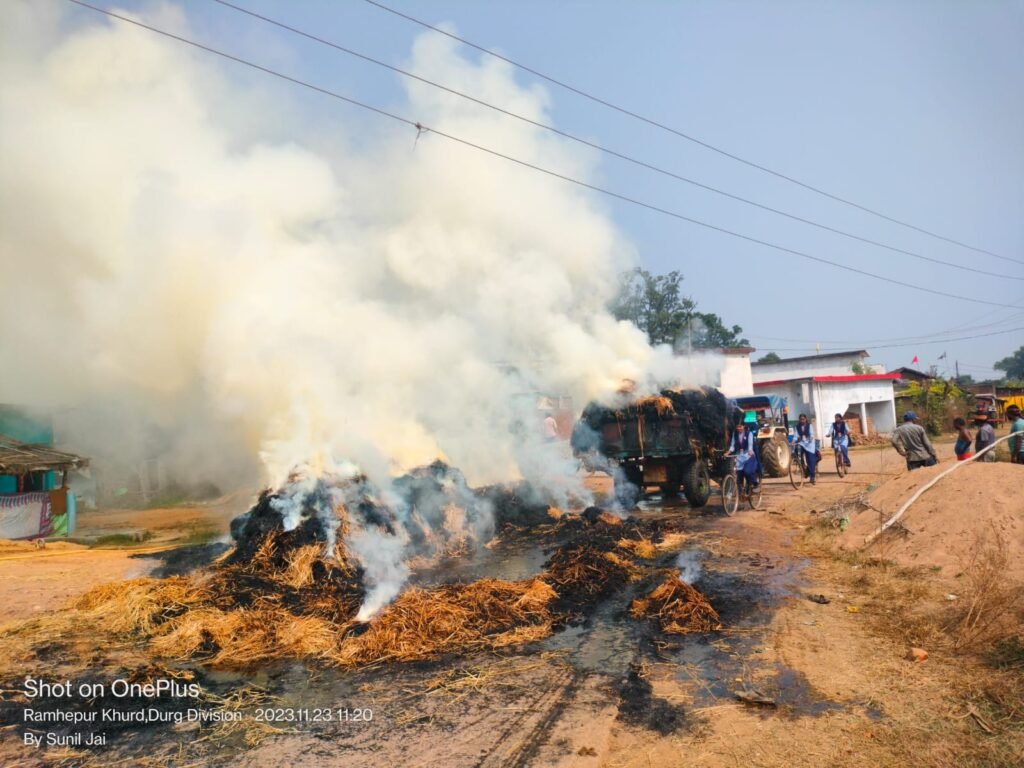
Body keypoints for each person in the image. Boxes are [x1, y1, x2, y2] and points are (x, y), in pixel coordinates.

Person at [727, 412, 760, 490]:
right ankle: (741, 491)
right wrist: (728, 452)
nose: (739, 428)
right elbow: (732, 445)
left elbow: (750, 445)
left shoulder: (749, 434)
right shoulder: (735, 434)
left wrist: (750, 451)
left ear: (744, 426)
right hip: (739, 457)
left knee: (747, 471)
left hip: (748, 456)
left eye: (740, 426)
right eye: (737, 427)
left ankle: (755, 483)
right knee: (738, 475)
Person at [794, 413, 818, 485]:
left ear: (806, 419)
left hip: (810, 444)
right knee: (797, 449)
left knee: (811, 461)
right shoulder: (797, 427)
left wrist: (810, 439)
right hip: (802, 443)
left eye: (803, 419)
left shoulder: (809, 425)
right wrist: (793, 441)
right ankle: (802, 466)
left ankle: (812, 477)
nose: (802, 421)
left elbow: (811, 434)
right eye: (800, 419)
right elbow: (795, 436)